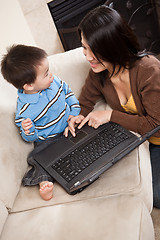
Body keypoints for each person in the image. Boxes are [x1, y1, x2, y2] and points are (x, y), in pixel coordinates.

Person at [67, 5, 160, 208]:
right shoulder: (99, 72)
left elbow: (155, 123)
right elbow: (85, 101)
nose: (87, 56)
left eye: (94, 49)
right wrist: (77, 115)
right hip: (146, 142)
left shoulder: (148, 69)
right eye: (84, 47)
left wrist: (110, 115)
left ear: (113, 45)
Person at [1, 44, 80, 201]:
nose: (51, 75)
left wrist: (74, 113)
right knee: (39, 158)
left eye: (49, 71)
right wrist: (28, 130)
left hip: (69, 126)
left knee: (86, 132)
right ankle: (44, 182)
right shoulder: (25, 110)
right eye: (45, 74)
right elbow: (29, 138)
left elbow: (67, 91)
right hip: (48, 141)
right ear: (29, 86)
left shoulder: (54, 82)